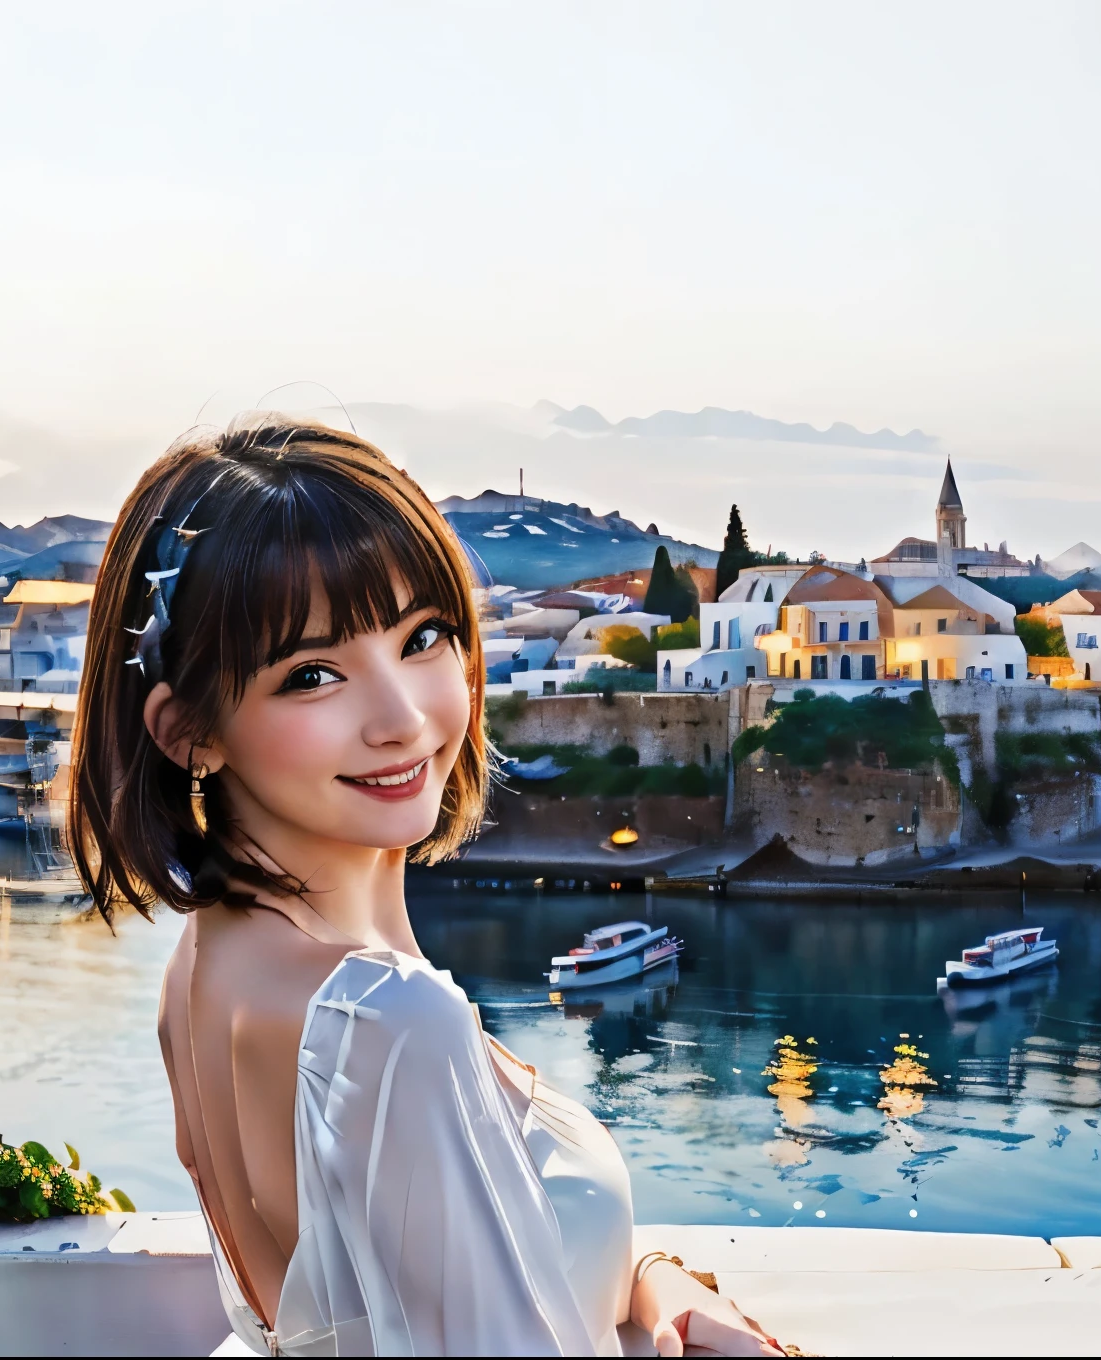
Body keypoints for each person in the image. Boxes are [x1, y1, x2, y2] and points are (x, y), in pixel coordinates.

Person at [71, 419, 786, 1357]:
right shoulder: (389, 1022)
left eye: (425, 637)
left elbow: (377, 1297)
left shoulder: (212, 968)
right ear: (187, 733)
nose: (404, 719)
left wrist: (655, 1285)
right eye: (312, 674)